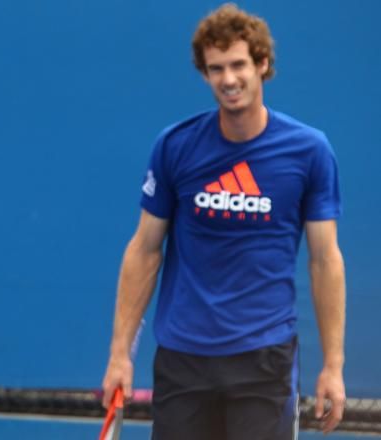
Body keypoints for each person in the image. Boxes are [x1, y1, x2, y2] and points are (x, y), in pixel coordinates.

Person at [101, 4, 346, 439]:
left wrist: (333, 365)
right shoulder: (175, 146)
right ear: (204, 74)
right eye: (216, 69)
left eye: (238, 65)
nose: (229, 79)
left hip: (264, 361)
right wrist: (120, 355)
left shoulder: (309, 151)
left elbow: (325, 260)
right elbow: (144, 250)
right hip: (183, 360)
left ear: (262, 64)